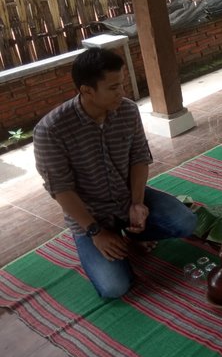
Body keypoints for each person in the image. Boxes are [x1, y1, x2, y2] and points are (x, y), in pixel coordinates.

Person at [33, 48, 197, 298]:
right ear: (86, 90)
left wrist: (138, 203)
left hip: (126, 197)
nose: (122, 92)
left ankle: (132, 236)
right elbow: (61, 190)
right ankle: (114, 243)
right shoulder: (51, 131)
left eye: (122, 84)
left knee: (185, 222)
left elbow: (139, 158)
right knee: (114, 287)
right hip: (90, 217)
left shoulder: (128, 111)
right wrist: (95, 232)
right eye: (113, 88)